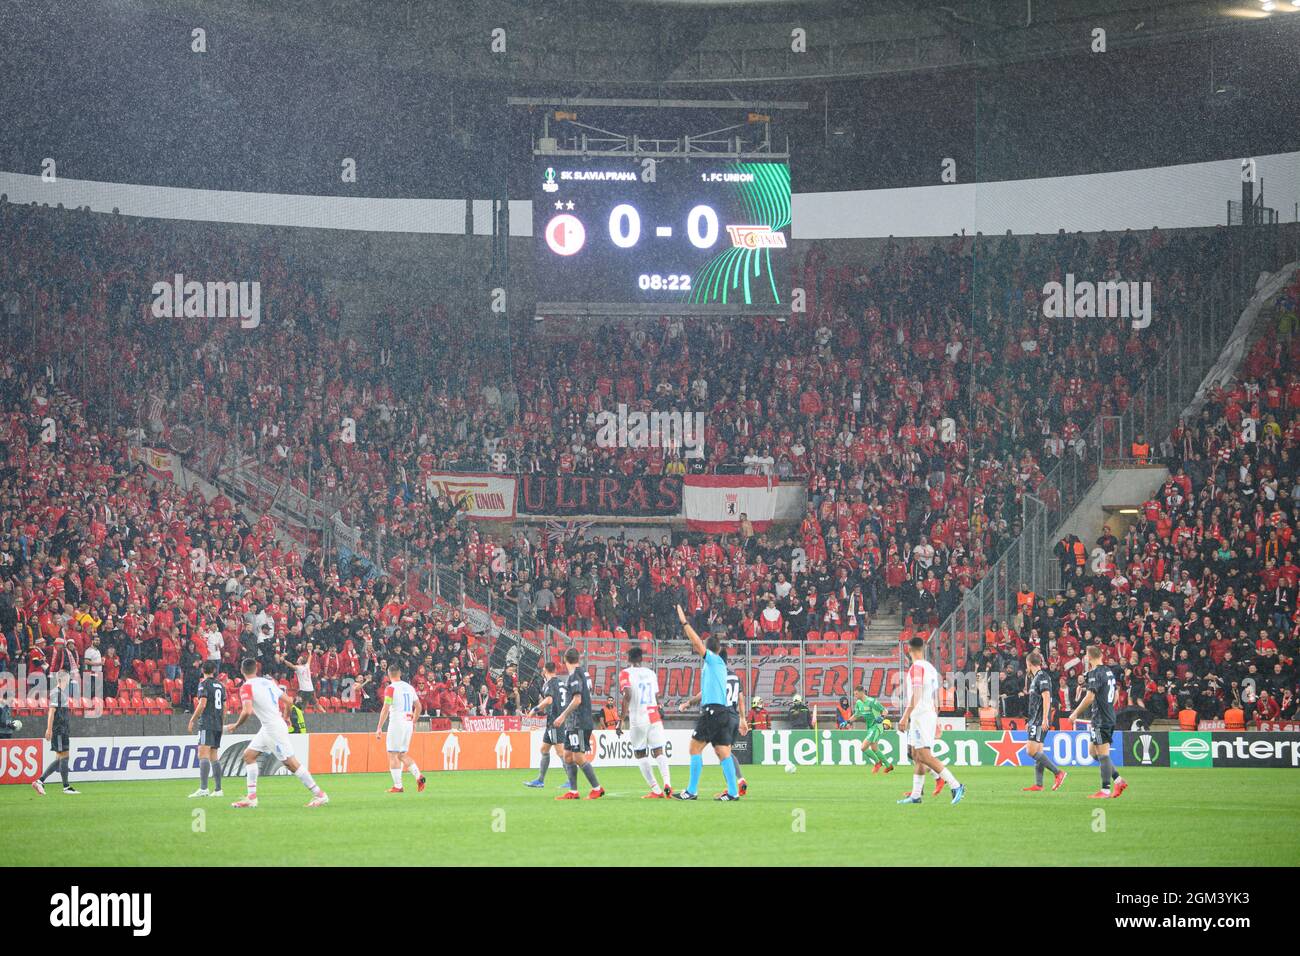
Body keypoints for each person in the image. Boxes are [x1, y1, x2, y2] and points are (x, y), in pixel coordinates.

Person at [225, 658, 329, 808]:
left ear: (242, 671)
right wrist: (286, 718)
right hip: (269, 727)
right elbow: (289, 701)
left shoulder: (246, 687)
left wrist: (235, 725)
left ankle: (320, 795)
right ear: (256, 669)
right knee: (249, 756)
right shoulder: (268, 682)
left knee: (291, 764)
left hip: (273, 728)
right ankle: (251, 798)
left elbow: (247, 711)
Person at [672, 604, 745, 801]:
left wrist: (685, 623)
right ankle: (733, 792)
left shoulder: (712, 660)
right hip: (721, 712)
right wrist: (690, 702)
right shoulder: (716, 667)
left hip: (713, 712)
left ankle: (691, 791)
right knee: (723, 752)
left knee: (694, 748)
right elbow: (706, 691)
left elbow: (696, 643)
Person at [897, 636, 965, 805]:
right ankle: (915, 795)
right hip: (926, 715)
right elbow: (935, 697)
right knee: (915, 754)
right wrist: (936, 720)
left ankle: (955, 785)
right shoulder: (931, 668)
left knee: (925, 756)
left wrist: (905, 716)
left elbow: (918, 693)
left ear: (909, 650)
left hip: (920, 716)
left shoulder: (916, 668)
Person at [1067, 645, 1128, 799]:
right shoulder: (1108, 672)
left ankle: (1105, 790)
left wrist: (1075, 713)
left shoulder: (1094, 673)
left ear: (1088, 656)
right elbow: (1114, 695)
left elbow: (1090, 697)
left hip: (1102, 719)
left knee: (1103, 754)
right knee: (1093, 753)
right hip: (1104, 716)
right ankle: (1119, 780)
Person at [620, 645, 672, 798]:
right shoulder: (651, 673)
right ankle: (667, 782)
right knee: (659, 751)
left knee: (640, 754)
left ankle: (656, 790)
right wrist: (659, 707)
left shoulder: (625, 673)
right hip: (654, 715)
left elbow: (627, 695)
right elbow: (656, 695)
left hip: (639, 717)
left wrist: (621, 719)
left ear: (629, 658)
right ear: (641, 659)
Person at [552, 648, 604, 800]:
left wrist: (562, 715)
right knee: (567, 756)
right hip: (574, 722)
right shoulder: (584, 673)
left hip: (579, 721)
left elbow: (577, 699)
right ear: (578, 659)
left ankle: (597, 788)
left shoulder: (574, 675)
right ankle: (573, 792)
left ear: (564, 660)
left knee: (578, 757)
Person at [374, 663, 426, 794]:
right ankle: (418, 776)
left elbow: (386, 708)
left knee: (392, 754)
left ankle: (398, 786)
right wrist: (413, 721)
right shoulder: (409, 687)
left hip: (397, 722)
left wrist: (379, 727)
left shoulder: (390, 688)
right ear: (400, 673)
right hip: (408, 721)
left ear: (388, 675)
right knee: (401, 754)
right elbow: (419, 706)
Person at [1021, 652, 1066, 793]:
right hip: (1036, 719)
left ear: (1029, 664)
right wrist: (1030, 720)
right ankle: (1039, 784)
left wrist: (1045, 718)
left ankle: (1058, 773)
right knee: (1038, 750)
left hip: (1040, 719)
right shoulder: (1035, 678)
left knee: (1030, 750)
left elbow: (1047, 698)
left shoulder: (1042, 677)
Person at [32, 670, 78, 795]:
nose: (68, 681)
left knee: (60, 759)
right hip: (59, 730)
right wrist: (49, 729)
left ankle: (41, 781)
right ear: (61, 680)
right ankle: (64, 786)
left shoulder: (62, 693)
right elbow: (51, 712)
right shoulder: (56, 693)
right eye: (67, 679)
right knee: (64, 756)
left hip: (63, 729)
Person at [523, 661, 566, 788]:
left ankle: (571, 780)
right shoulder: (561, 682)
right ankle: (540, 780)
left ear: (545, 670)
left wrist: (534, 710)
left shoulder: (549, 683)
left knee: (560, 752)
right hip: (555, 720)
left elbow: (549, 699)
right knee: (544, 749)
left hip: (555, 720)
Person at [187, 661, 227, 798]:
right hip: (217, 723)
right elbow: (224, 707)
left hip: (207, 723)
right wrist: (222, 723)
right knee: (214, 756)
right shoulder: (221, 686)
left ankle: (203, 788)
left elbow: (202, 704)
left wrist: (192, 719)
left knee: (202, 754)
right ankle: (218, 790)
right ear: (214, 670)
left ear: (203, 670)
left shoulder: (203, 684)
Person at [851, 686, 895, 774]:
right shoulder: (859, 703)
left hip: (876, 727)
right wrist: (847, 721)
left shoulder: (872, 701)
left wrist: (882, 717)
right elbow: (856, 715)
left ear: (862, 692)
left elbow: (885, 711)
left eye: (856, 694)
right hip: (870, 727)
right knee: (875, 748)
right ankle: (888, 765)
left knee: (863, 747)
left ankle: (878, 763)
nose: (855, 696)